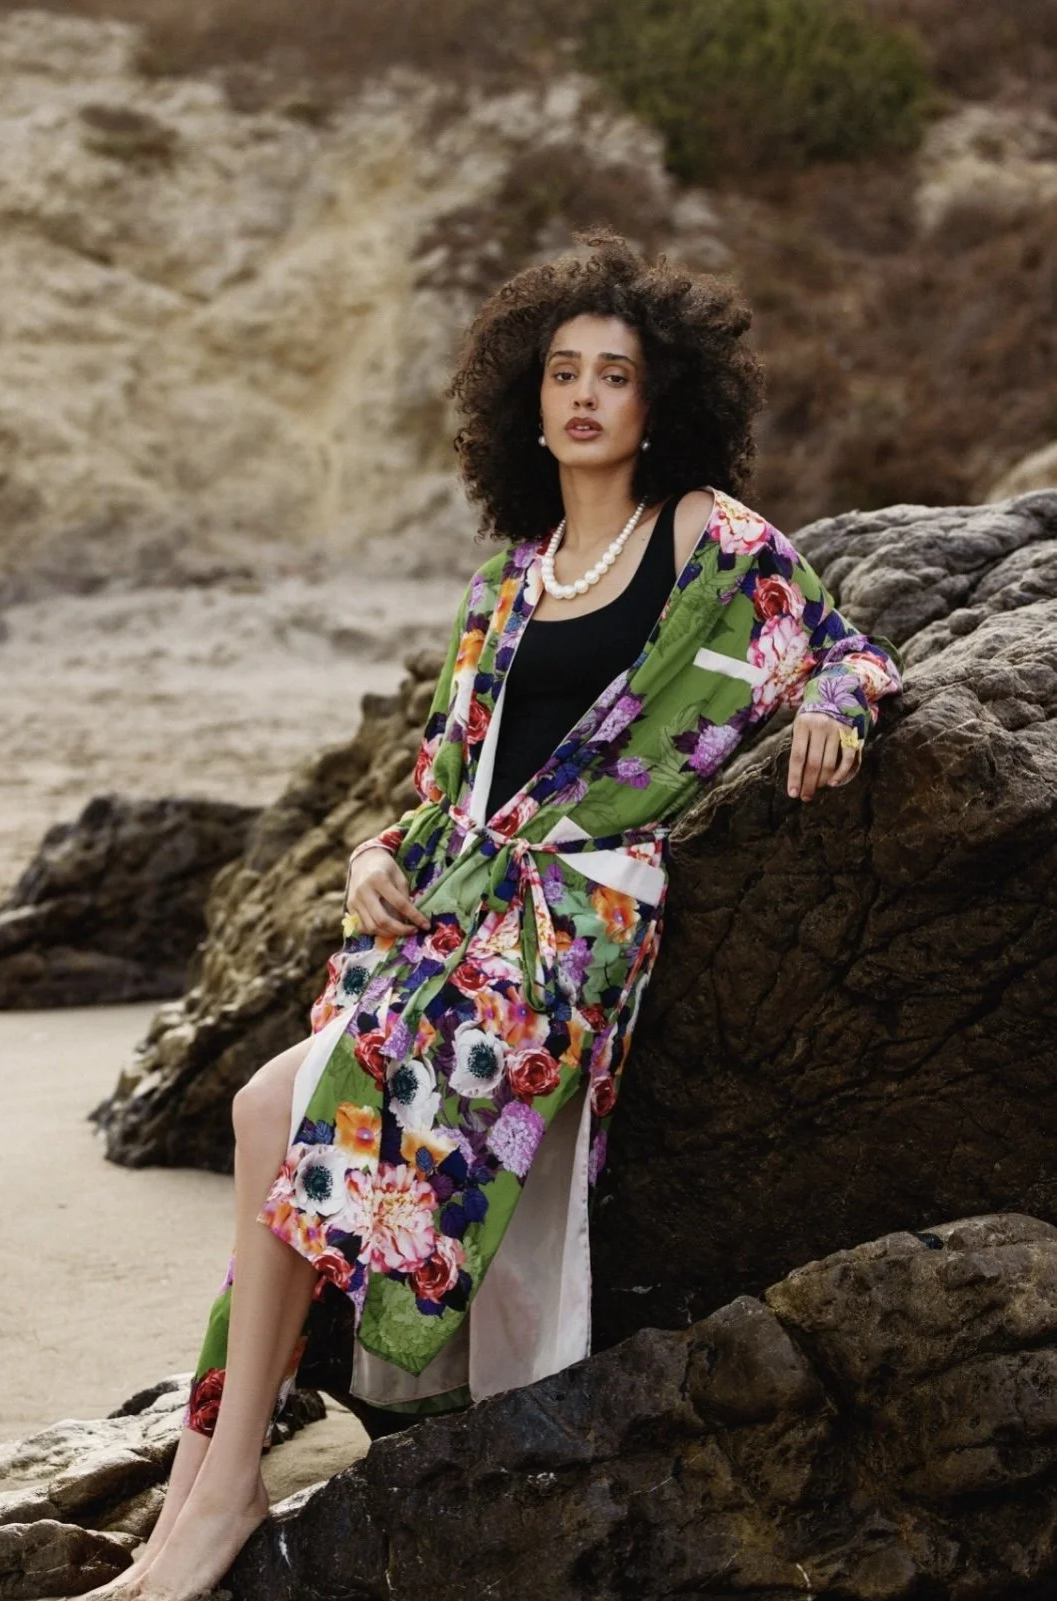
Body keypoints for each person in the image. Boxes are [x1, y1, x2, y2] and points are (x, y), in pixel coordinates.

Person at [88, 230, 904, 1599]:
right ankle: (197, 1500)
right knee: (251, 1110)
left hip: (566, 935)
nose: (584, 397)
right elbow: (439, 789)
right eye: (562, 373)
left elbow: (847, 646)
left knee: (316, 1096)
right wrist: (366, 860)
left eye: (616, 376)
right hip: (453, 916)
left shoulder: (705, 536)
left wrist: (831, 711)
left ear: (663, 401)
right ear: (524, 402)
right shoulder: (507, 582)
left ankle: (217, 1500)